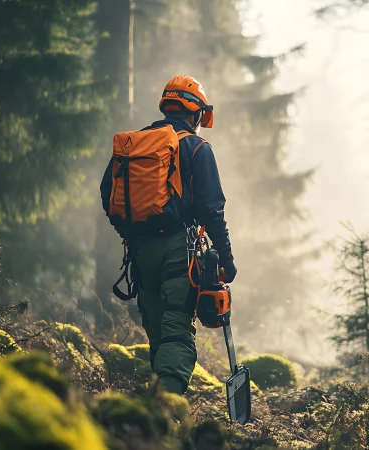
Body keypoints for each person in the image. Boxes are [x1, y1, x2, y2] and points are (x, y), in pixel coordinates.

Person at [100, 75, 237, 395]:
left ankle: (155, 404)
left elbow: (108, 193)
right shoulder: (196, 146)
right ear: (197, 113)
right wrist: (226, 260)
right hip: (179, 249)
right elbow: (212, 210)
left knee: (157, 330)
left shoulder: (133, 145)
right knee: (177, 329)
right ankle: (165, 407)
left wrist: (129, 231)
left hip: (140, 252)